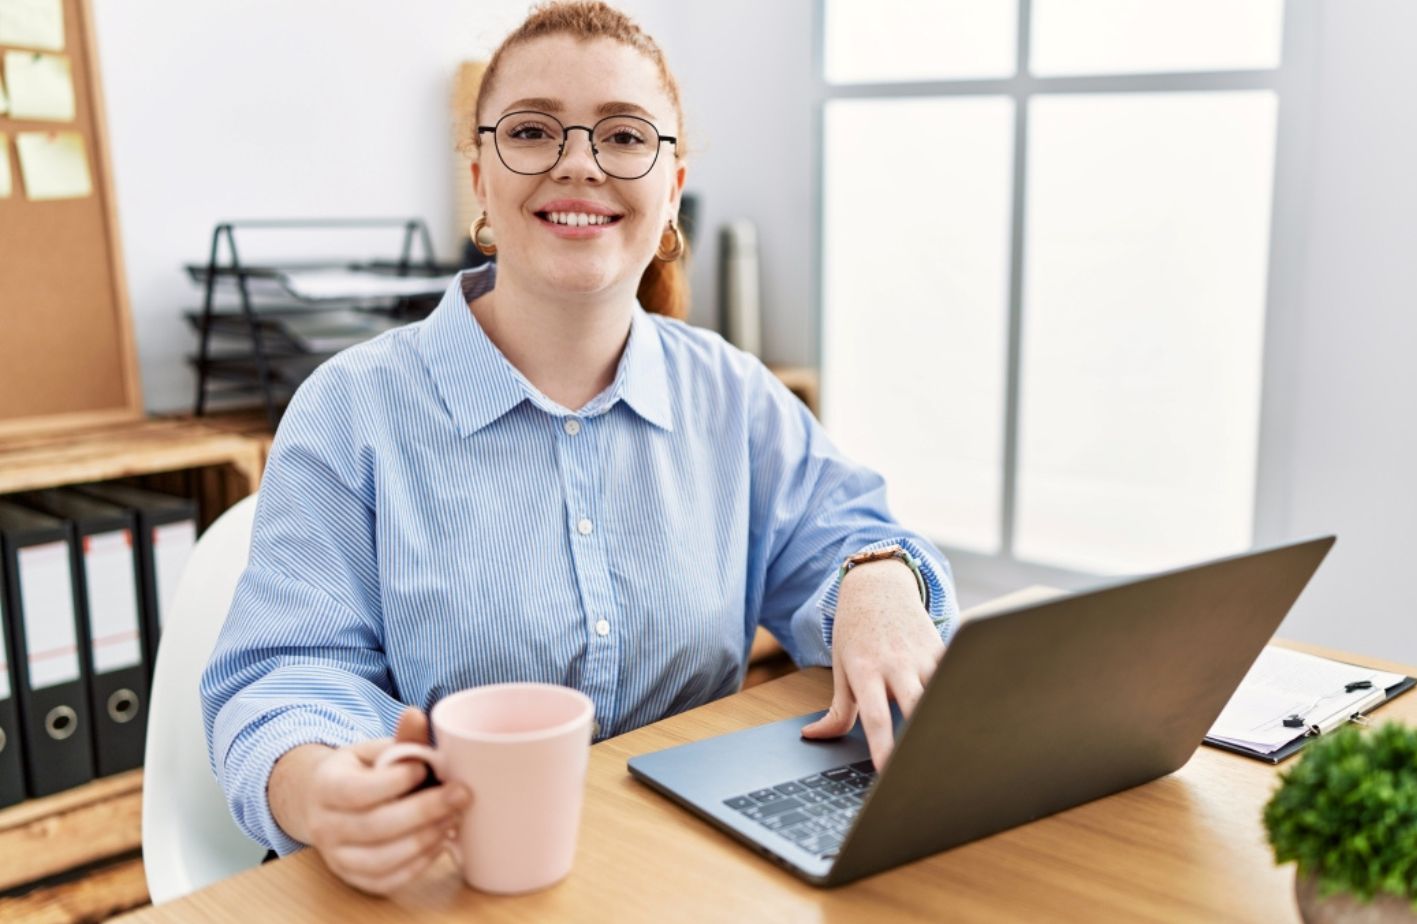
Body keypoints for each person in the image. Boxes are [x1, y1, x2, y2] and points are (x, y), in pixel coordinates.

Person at [201, 0, 956, 896]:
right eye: (532, 131)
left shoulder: (730, 393)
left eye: (625, 136)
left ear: (672, 188)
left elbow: (848, 534)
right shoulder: (350, 411)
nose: (578, 164)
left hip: (671, 871)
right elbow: (286, 674)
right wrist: (321, 788)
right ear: (480, 176)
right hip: (445, 882)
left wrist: (876, 578)